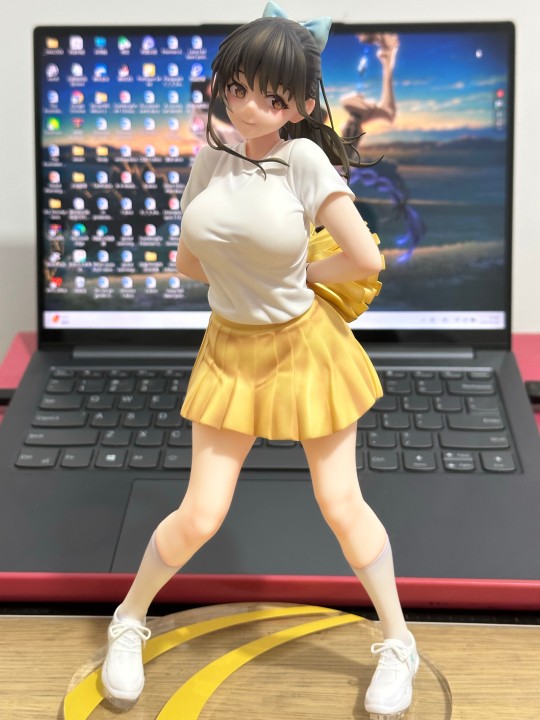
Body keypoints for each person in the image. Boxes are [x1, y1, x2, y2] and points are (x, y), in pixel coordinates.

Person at [101, 4, 419, 718]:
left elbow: (365, 259)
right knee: (200, 513)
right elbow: (188, 263)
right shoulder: (209, 160)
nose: (248, 108)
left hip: (304, 347)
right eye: (238, 88)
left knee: (341, 504)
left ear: (301, 107)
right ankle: (128, 618)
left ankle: (399, 640)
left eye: (272, 98)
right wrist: (241, 270)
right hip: (229, 348)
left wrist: (297, 274)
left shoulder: (302, 160)